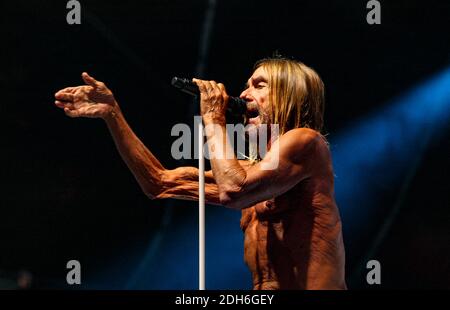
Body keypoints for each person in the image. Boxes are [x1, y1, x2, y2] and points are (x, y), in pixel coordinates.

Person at [54, 57, 347, 290]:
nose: (244, 94)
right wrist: (112, 114)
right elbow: (158, 183)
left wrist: (211, 118)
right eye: (247, 85)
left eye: (259, 85)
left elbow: (234, 190)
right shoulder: (253, 170)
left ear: (290, 95)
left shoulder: (307, 142)